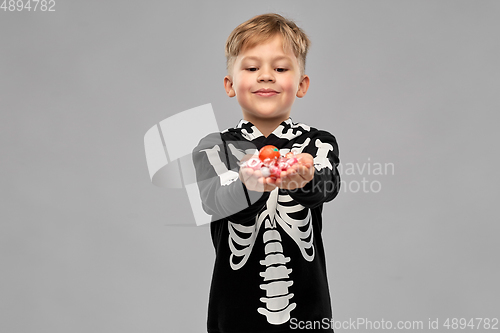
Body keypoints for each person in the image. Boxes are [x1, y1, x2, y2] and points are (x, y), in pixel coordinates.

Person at [192, 13, 341, 333]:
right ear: (230, 85)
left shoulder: (317, 144)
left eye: (281, 68)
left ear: (301, 84)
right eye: (251, 67)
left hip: (308, 315)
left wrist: (306, 179)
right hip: (233, 316)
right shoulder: (212, 147)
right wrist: (247, 184)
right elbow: (212, 201)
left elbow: (327, 185)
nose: (266, 76)